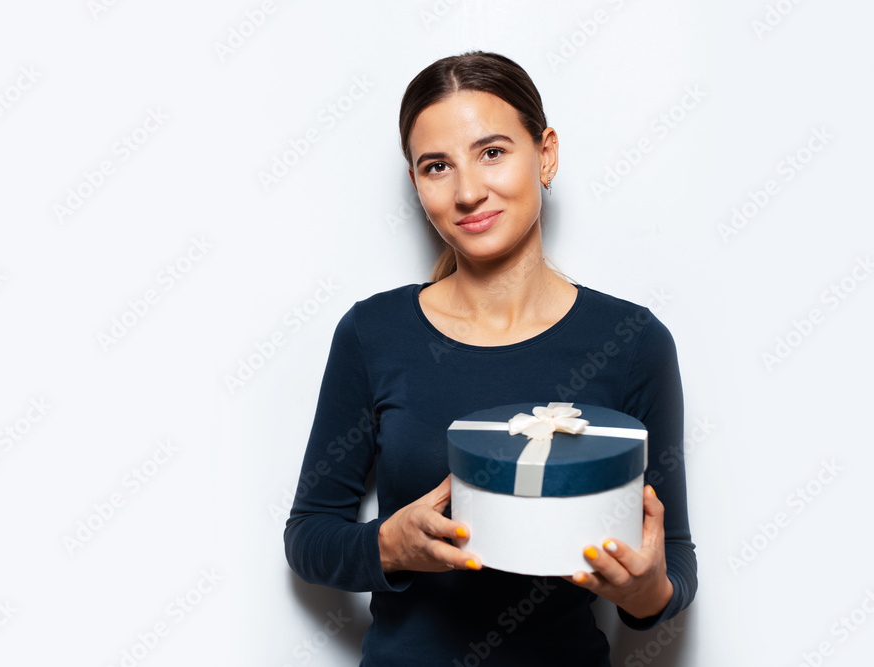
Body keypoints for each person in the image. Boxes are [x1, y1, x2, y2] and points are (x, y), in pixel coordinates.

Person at [283, 50, 696, 666]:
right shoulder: (374, 333)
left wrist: (646, 592)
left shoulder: (632, 341)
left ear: (546, 154)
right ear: (417, 184)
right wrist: (388, 546)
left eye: (493, 152)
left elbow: (674, 556)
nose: (469, 191)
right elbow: (309, 534)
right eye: (437, 166)